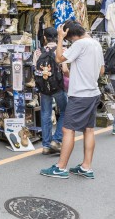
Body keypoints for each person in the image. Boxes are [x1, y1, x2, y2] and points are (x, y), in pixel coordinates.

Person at [40, 21, 104, 179]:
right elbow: (101, 71)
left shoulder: (79, 44)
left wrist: (60, 38)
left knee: (68, 129)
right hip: (93, 93)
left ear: (70, 36)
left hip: (80, 95)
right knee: (89, 130)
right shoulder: (95, 44)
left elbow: (59, 58)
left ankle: (61, 168)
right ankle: (86, 167)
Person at [35, 27, 68, 155]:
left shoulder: (38, 51)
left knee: (45, 115)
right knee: (65, 111)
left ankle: (46, 146)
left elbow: (36, 69)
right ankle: (56, 139)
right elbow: (64, 70)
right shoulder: (63, 50)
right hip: (58, 87)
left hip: (44, 88)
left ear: (44, 37)